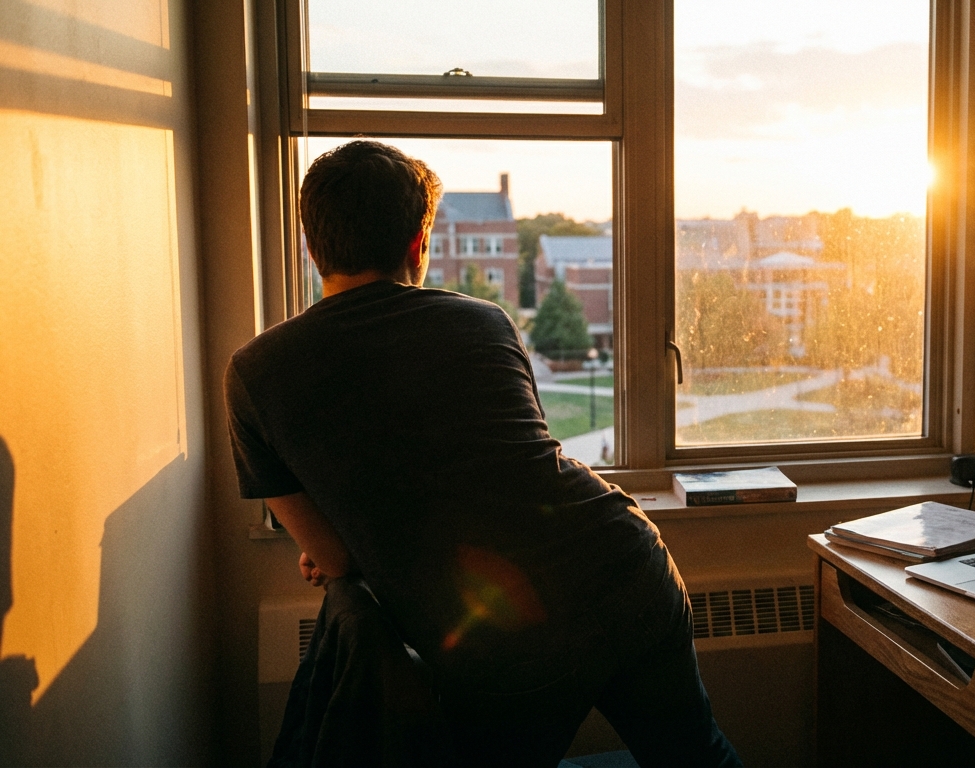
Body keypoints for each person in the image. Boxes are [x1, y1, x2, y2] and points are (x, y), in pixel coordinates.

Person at [226, 140, 740, 767]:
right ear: (419, 243)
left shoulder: (255, 374)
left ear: (311, 245)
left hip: (504, 633)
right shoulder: (483, 322)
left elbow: (332, 556)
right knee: (695, 757)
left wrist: (341, 543)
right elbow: (510, 471)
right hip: (624, 564)